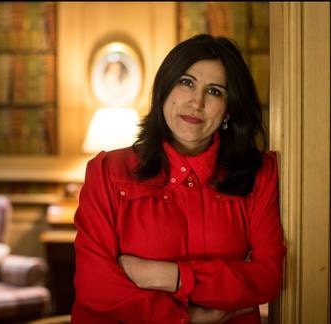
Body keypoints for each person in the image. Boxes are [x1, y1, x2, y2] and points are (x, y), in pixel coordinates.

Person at [72, 34, 286, 324]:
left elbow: (267, 277)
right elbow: (95, 286)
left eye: (214, 91)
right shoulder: (107, 171)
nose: (196, 102)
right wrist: (186, 318)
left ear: (228, 110)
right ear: (165, 90)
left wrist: (168, 277)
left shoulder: (259, 173)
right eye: (186, 82)